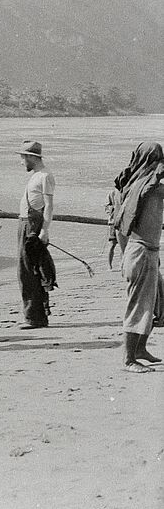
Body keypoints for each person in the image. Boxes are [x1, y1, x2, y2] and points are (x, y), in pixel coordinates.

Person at [113, 141, 164, 373]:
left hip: (145, 251)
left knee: (149, 303)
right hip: (141, 251)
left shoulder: (137, 185)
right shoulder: (148, 186)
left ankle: (140, 349)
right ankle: (128, 359)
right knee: (138, 306)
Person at [16, 140, 55, 329]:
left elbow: (48, 206)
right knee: (26, 270)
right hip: (26, 223)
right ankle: (34, 314)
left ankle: (35, 317)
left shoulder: (45, 176)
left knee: (29, 271)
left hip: (32, 225)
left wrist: (45, 231)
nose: (22, 162)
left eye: (23, 158)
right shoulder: (36, 176)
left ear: (32, 157)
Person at [104, 187, 122, 270]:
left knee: (123, 245)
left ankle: (121, 264)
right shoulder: (112, 193)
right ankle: (109, 265)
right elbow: (106, 207)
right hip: (113, 222)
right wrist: (114, 209)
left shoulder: (127, 192)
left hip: (123, 223)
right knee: (112, 245)